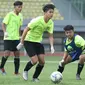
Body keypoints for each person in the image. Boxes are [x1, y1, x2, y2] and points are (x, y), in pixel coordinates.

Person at [17, 4, 55, 82]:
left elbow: (50, 36)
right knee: (34, 61)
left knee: (42, 62)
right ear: (45, 13)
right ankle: (25, 70)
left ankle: (35, 78)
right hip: (29, 41)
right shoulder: (37, 20)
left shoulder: (51, 23)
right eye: (50, 12)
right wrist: (21, 42)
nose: (52, 14)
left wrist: (52, 46)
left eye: (52, 12)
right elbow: (25, 30)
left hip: (38, 42)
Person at [0, 1, 23, 75]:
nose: (20, 8)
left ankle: (16, 72)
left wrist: (20, 36)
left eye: (21, 7)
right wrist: (5, 32)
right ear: (15, 7)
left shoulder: (21, 16)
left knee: (17, 54)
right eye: (19, 7)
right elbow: (3, 24)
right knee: (7, 53)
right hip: (8, 38)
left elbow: (19, 26)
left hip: (16, 38)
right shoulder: (10, 14)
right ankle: (1, 67)